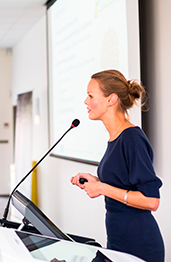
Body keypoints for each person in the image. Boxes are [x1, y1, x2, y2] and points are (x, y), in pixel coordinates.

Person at [70, 69, 164, 262]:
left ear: (111, 99)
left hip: (139, 246)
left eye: (90, 96)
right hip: (117, 242)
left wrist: (102, 187)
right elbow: (123, 182)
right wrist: (96, 181)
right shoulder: (116, 137)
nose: (85, 102)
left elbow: (151, 200)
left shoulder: (132, 138)